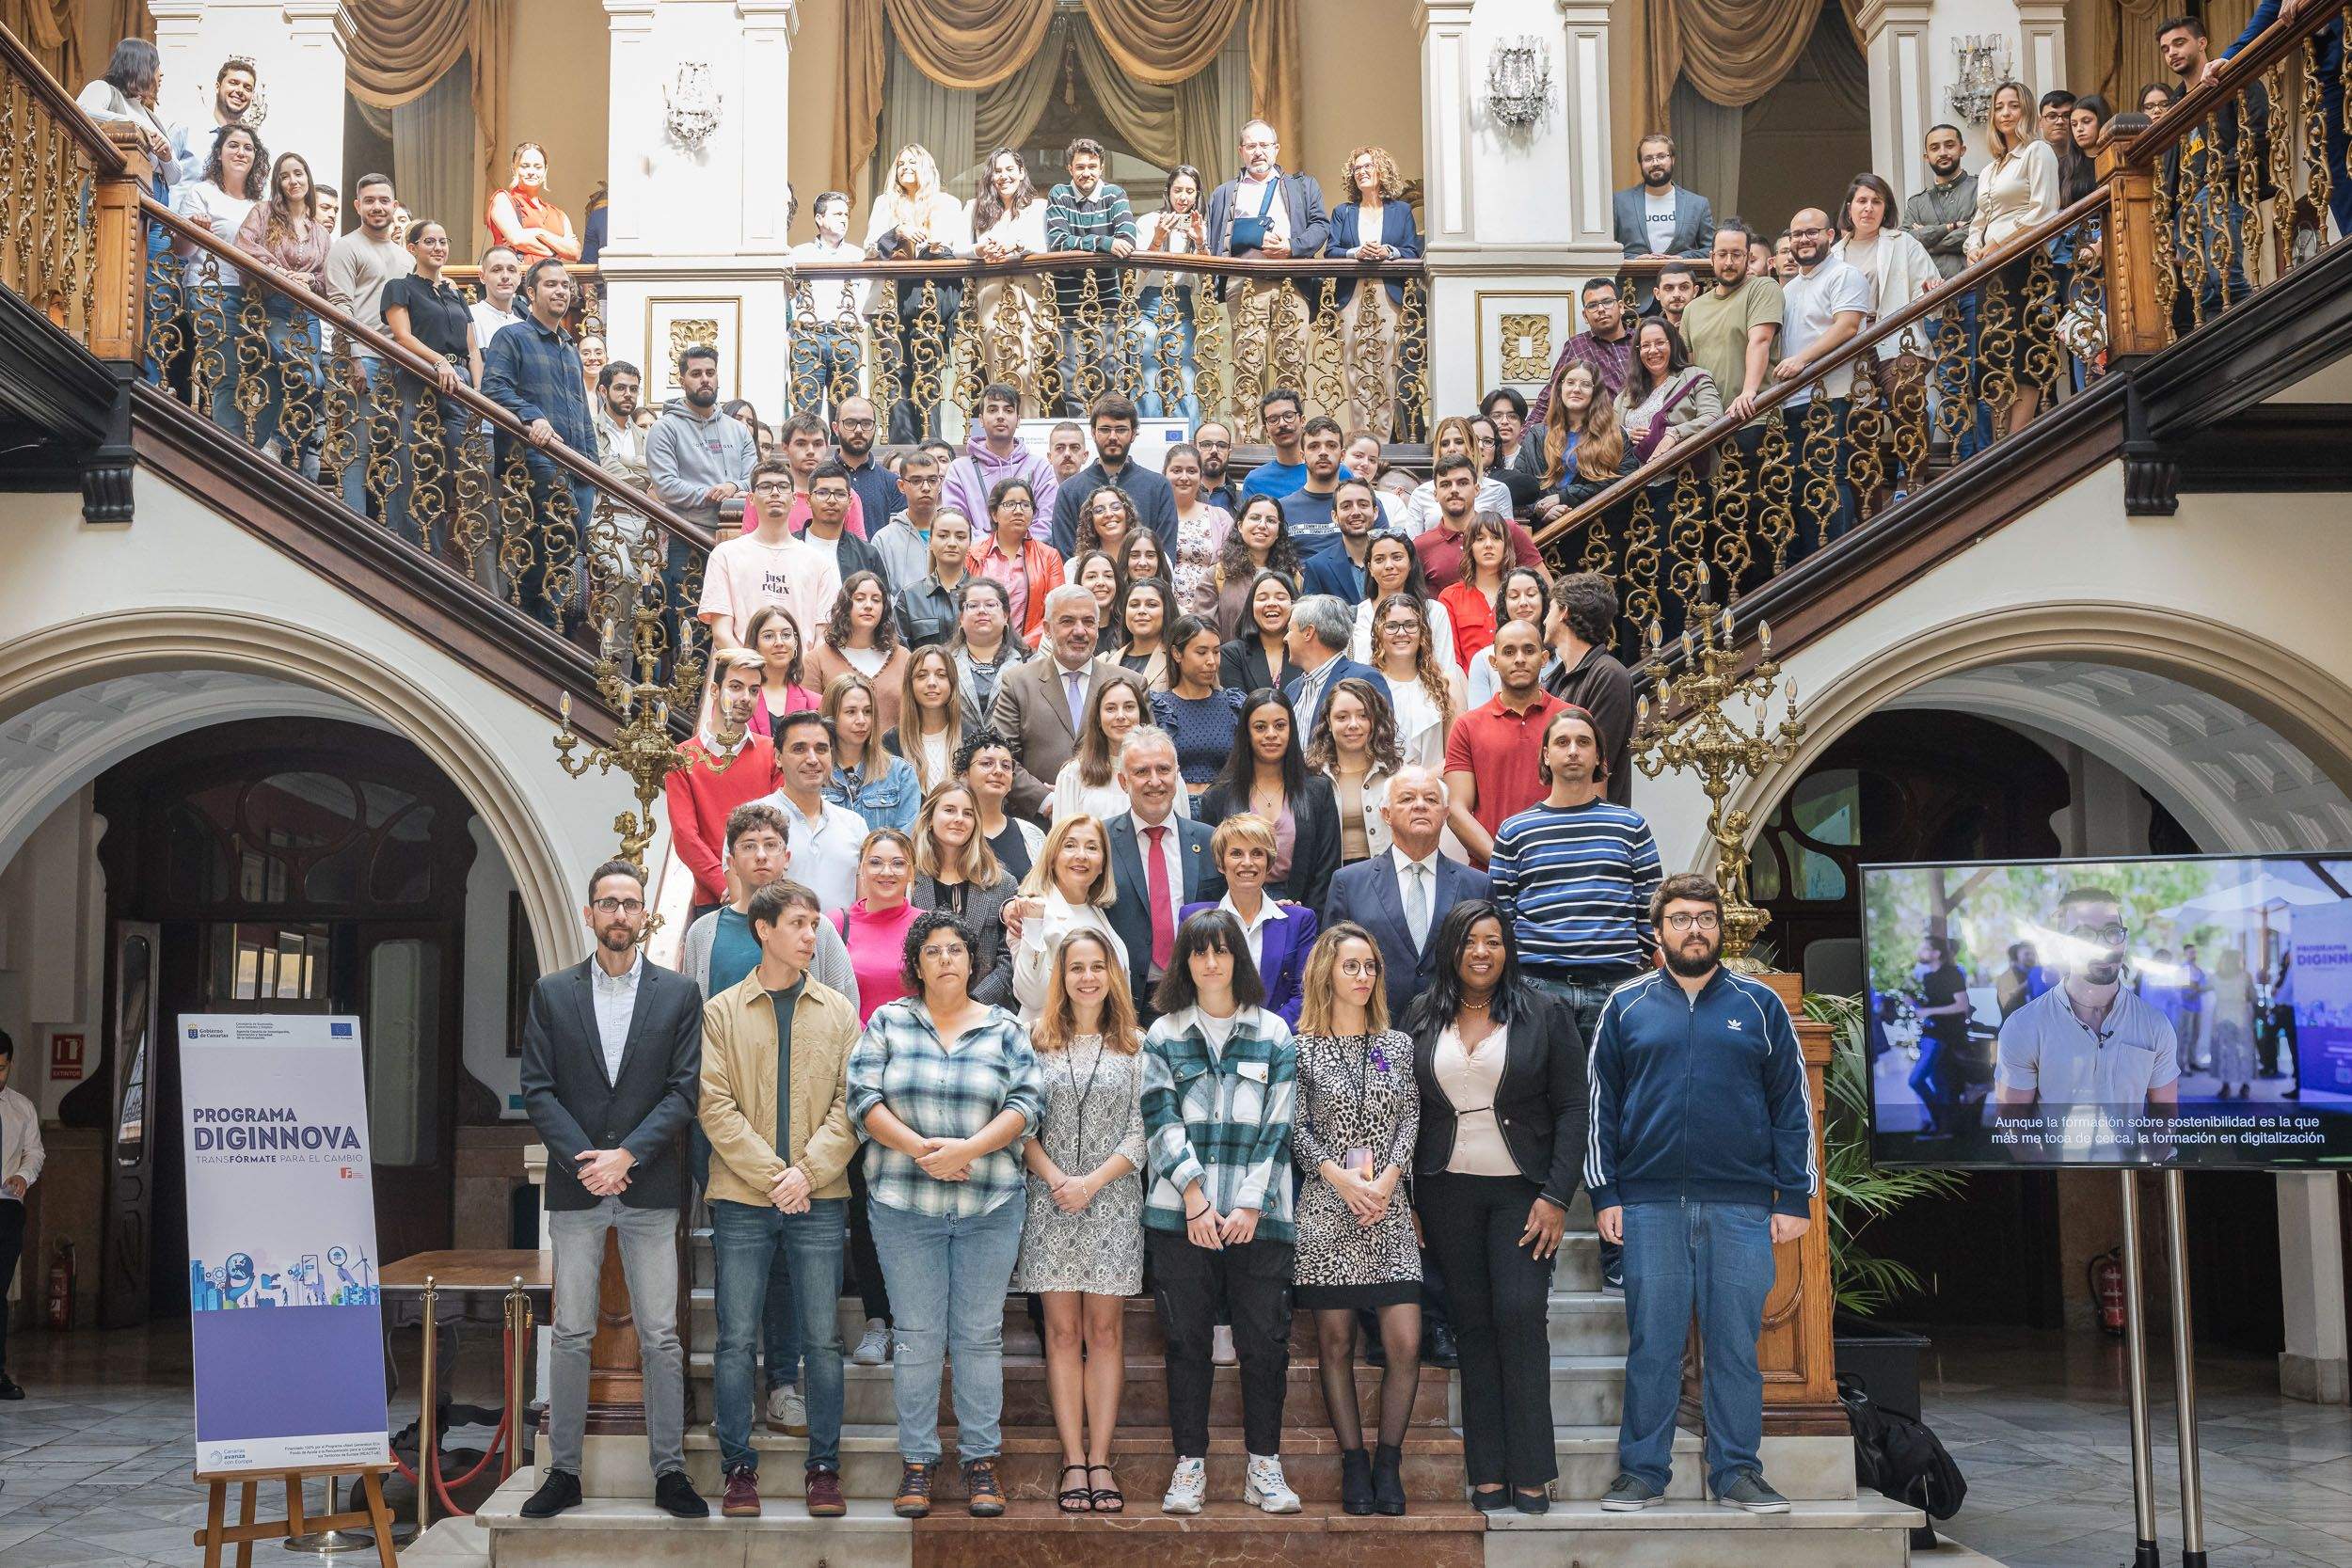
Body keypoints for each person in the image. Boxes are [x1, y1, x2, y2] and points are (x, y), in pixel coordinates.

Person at [1592, 873, 1816, 1516]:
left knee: (1733, 1346)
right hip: (1650, 1204)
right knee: (1654, 1343)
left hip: (1743, 1205)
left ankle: (1739, 1472)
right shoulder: (1626, 1005)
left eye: (1707, 918)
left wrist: (1793, 1195)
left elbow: (1791, 1107)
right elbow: (1601, 1107)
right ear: (1657, 933)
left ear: (1720, 928)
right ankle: (1641, 1472)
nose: (1696, 928)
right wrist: (1606, 1192)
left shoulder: (1762, 1004)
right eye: (1682, 918)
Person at [518, 861, 708, 1520]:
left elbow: (684, 1090)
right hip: (576, 1188)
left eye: (631, 903)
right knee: (569, 1332)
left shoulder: (679, 993)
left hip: (649, 1182)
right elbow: (537, 1088)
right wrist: (585, 1161)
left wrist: (627, 1154)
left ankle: (670, 1472)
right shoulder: (551, 992)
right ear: (590, 914)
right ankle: (562, 1470)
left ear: (644, 916)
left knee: (661, 1335)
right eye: (609, 903)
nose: (621, 914)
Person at [848, 911, 1043, 1519]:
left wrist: (968, 1150)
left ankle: (981, 1462)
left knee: (979, 1336)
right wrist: (924, 1152)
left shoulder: (1005, 1027)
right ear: (917, 962)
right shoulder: (888, 1021)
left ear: (973, 959)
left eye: (956, 949)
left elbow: (1028, 1102)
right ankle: (918, 1462)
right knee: (917, 1338)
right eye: (933, 950)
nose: (946, 959)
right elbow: (862, 1099)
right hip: (906, 1203)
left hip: (990, 1203)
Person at [1406, 899, 1584, 1513]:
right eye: (1469, 941)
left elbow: (1572, 1108)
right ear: (1452, 949)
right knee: (1474, 1326)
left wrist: (1558, 1196)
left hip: (1523, 1193)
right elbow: (1408, 1112)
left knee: (1519, 1314)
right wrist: (1408, 1196)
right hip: (1445, 1189)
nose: (1481, 951)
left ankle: (1532, 1470)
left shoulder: (1544, 1012)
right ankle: (1487, 1470)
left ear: (1508, 948)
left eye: (1493, 940)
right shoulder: (1423, 1015)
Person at [698, 879, 859, 1519]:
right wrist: (775, 1174)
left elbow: (853, 1105)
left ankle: (824, 1466)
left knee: (821, 1338)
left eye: (815, 923)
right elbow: (714, 1105)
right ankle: (739, 1466)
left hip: (820, 1196)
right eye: (797, 922)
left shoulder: (839, 1012)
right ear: (762, 929)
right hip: (741, 1197)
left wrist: (807, 1172)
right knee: (737, 1337)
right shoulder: (721, 1012)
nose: (810, 935)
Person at [1141, 910, 1302, 1516]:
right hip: (1181, 1215)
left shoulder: (1274, 1035)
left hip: (1259, 1218)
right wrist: (1195, 1197)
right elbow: (1161, 1119)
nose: (1211, 963)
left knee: (1265, 1340)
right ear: (1184, 962)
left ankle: (1265, 1464)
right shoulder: (1162, 1035)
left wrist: (1247, 1204)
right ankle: (1191, 1465)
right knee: (1185, 1340)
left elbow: (1278, 1126)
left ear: (1239, 959)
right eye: (1199, 953)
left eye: (1223, 951)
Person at [1012, 927, 1151, 1513]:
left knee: (1106, 1333)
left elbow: (1142, 1132)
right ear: (1060, 978)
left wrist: (1091, 1182)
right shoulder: (1033, 1042)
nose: (1088, 977)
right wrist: (1056, 1180)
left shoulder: (1137, 1045)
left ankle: (1102, 1458)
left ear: (1113, 975)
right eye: (1076, 968)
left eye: (1098, 966)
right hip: (1049, 1203)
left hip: (1113, 1201)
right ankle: (1073, 1461)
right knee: (1063, 1334)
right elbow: (1019, 1123)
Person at [1285, 924, 1422, 1516]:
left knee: (1406, 1343)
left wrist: (1387, 1181)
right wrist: (1342, 1181)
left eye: (1370, 966)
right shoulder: (1299, 1048)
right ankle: (1353, 1464)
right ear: (1326, 974)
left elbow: (1410, 1119)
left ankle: (1389, 1462)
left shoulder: (1397, 1045)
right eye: (1352, 966)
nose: (1363, 976)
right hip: (1325, 1206)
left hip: (1389, 1211)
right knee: (1335, 1343)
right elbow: (1294, 1126)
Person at [1993, 885, 2182, 1154]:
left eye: (2112, 932)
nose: (2102, 946)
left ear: (2125, 941)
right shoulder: (2024, 1026)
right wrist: (2055, 1179)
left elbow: (2164, 1116)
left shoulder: (2156, 1025)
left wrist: (2144, 1168)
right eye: (2084, 935)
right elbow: (2013, 1122)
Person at [1323, 765, 1491, 1023]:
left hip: (1453, 1033)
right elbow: (1329, 968)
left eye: (1431, 799)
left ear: (1445, 813)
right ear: (1386, 814)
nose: (1421, 805)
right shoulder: (1349, 883)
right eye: (1407, 798)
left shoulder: (1478, 886)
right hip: (1373, 1031)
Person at [481, 259, 597, 626]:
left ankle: (556, 630)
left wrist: (593, 464)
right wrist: (534, 415)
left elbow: (581, 410)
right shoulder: (512, 337)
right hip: (536, 461)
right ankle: (541, 631)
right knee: (544, 554)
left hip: (578, 465)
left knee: (567, 555)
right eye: (551, 285)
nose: (561, 291)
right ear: (530, 293)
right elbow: (493, 388)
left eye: (565, 285)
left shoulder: (568, 346)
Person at [1206, 121, 1329, 431]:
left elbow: (1320, 227)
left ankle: (1293, 436)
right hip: (1245, 286)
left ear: (1276, 149)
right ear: (1241, 152)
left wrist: (1291, 247)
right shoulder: (1224, 193)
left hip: (1292, 283)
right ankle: (1247, 438)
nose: (1258, 152)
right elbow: (1214, 239)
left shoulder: (1303, 186)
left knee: (1292, 362)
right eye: (1251, 146)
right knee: (1247, 364)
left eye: (1264, 145)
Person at [680, 802, 858, 1004]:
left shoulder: (819, 930)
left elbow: (846, 1008)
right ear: (732, 863)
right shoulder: (702, 933)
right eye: (749, 846)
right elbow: (692, 1012)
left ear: (786, 858)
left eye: (771, 845)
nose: (761, 856)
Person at [1965, 81, 2061, 437]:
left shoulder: (2038, 152)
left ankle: (2016, 438)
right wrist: (1975, 247)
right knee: (1993, 355)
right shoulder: (1990, 169)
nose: (2005, 113)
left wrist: (1996, 247)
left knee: (2023, 354)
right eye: (1999, 107)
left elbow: (2045, 211)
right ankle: (1998, 438)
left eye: (2013, 106)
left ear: (2027, 112)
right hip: (1990, 270)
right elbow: (1979, 221)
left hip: (2024, 264)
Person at [1834, 172, 1940, 487]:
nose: (1868, 208)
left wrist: (1932, 289)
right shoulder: (1834, 254)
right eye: (1862, 201)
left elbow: (1930, 297)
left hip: (1897, 341)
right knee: (1857, 419)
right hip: (1850, 349)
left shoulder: (1903, 242)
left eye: (1876, 201)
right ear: (1849, 208)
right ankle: (1867, 496)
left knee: (1904, 392)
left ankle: (1914, 479)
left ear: (1886, 208)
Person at [1775, 208, 1872, 546]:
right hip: (1793, 400)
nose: (1803, 240)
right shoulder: (1788, 290)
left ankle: (1836, 559)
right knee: (1802, 485)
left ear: (1830, 235)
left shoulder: (1844, 275)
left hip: (1831, 395)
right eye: (1796, 235)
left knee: (1830, 479)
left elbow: (1846, 327)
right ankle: (1810, 562)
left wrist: (1800, 362)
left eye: (1811, 232)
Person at [1199, 689, 1342, 911]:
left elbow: (1326, 869)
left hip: (1302, 908)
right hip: (1236, 911)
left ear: (1291, 730)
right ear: (1246, 733)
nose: (1271, 734)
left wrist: (1305, 917)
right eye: (1260, 727)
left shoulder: (1318, 790)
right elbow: (1212, 873)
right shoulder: (1218, 797)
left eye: (1280, 725)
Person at [231, 150, 332, 465]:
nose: (293, 181)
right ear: (277, 183)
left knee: (309, 381)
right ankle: (273, 449)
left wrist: (308, 281)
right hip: (272, 307)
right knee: (303, 378)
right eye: (285, 175)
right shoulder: (263, 213)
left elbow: (327, 280)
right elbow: (243, 248)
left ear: (308, 179)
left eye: (298, 173)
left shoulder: (321, 232)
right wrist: (280, 273)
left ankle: (275, 446)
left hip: (308, 315)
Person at [865, 144, 969, 442]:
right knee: (896, 374)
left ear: (928, 167)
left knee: (927, 375)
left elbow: (959, 249)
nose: (905, 167)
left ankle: (931, 443)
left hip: (929, 300)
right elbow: (869, 247)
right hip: (889, 301)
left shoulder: (948, 204)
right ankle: (901, 447)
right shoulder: (885, 204)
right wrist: (897, 232)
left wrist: (937, 248)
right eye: (900, 163)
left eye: (913, 161)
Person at [665, 654, 781, 923]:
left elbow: (780, 823)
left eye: (754, 690)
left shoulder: (771, 752)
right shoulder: (682, 757)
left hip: (769, 895)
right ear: (715, 691)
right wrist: (727, 885)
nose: (745, 698)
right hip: (716, 899)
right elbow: (685, 837)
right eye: (736, 687)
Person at [1444, 621, 1566, 866]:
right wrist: (1504, 864)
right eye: (1509, 652)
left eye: (1529, 650)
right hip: (1490, 875)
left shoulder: (1571, 720)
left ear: (1544, 658)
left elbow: (1592, 801)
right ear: (1493, 661)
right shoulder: (1467, 726)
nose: (1519, 659)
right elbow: (1457, 811)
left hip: (1561, 870)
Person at [169, 122, 266, 430]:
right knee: (227, 373)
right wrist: (195, 230)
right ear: (219, 154)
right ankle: (232, 450)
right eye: (233, 145)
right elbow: (181, 251)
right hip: (210, 290)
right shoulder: (202, 192)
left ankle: (250, 442)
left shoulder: (259, 205)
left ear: (256, 157)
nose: (241, 152)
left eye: (248, 147)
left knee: (257, 374)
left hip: (251, 298)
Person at [990, 583, 1116, 818]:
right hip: (1039, 823)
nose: (1079, 631)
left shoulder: (1127, 684)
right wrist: (1046, 800)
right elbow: (1000, 755)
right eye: (1067, 621)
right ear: (1047, 629)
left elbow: (1141, 756)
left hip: (1110, 822)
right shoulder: (1018, 683)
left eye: (1088, 622)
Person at [1183, 813, 1317, 1025]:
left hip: (1279, 1042)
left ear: (1269, 862)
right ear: (1220, 864)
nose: (1247, 863)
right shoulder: (1193, 918)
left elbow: (1305, 995)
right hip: (1212, 1042)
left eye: (1257, 853)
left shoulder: (1299, 920)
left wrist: (1265, 1037)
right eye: (1236, 853)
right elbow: (1186, 989)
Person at [700, 456, 844, 653]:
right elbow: (721, 633)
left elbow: (824, 634)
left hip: (800, 675)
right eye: (765, 486)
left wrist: (800, 672)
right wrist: (752, 669)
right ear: (750, 499)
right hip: (745, 675)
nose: (775, 493)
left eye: (783, 486)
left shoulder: (818, 562)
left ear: (794, 498)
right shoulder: (725, 555)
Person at [1327, 145, 1423, 438]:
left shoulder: (1400, 211)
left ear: (1381, 170)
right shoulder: (1343, 212)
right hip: (1352, 294)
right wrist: (1356, 252)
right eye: (1357, 168)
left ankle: (1382, 443)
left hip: (1388, 295)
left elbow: (1410, 250)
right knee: (1355, 369)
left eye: (1368, 166)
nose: (1362, 172)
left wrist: (1388, 251)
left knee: (1386, 370)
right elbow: (1330, 251)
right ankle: (1359, 440)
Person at [1045, 137, 1138, 409]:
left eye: (1092, 166)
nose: (1086, 172)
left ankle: (1104, 431)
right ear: (1069, 168)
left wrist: (1086, 242)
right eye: (1080, 166)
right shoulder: (1059, 194)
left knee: (1108, 374)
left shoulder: (1114, 195)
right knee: (1069, 377)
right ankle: (1077, 437)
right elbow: (1057, 242)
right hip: (1067, 303)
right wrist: (1103, 242)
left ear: (1102, 167)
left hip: (1107, 301)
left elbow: (1128, 238)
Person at [910, 782, 1018, 1005]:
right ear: (929, 819)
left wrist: (974, 1002)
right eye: (949, 810)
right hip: (922, 1008)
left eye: (968, 813)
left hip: (987, 1011)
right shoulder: (909, 881)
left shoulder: (1002, 883)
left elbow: (1009, 957)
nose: (959, 819)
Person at [1009, 814, 1126, 1021]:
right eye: (1070, 846)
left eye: (1092, 847)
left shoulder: (1098, 911)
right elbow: (1031, 997)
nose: (1081, 855)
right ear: (1052, 858)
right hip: (1048, 1044)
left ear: (1102, 865)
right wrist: (1035, 924)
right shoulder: (1030, 910)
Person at [963, 148, 1053, 401]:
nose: (1004, 176)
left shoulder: (1039, 207)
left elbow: (1046, 245)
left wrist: (1017, 244)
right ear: (991, 177)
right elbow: (957, 249)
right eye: (998, 171)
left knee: (1027, 371)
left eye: (1010, 169)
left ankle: (1025, 437)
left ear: (1022, 172)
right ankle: (1001, 436)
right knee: (997, 372)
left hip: (1027, 295)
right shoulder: (975, 208)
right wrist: (978, 249)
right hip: (990, 294)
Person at [1540, 572, 1637, 805]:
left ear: (1564, 612)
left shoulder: (1609, 675)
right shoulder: (1554, 679)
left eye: (1550, 609)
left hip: (1589, 828)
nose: (1544, 620)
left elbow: (1596, 769)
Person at [1048, 396, 1178, 558]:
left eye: (1121, 429)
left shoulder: (1158, 487)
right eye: (1105, 429)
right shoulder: (1069, 490)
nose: (1113, 437)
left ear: (1133, 433)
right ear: (1093, 433)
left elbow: (1165, 556)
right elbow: (1065, 558)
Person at [766, 711, 869, 913]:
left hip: (842, 943)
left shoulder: (854, 825)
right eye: (799, 749)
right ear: (778, 757)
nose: (812, 759)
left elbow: (864, 908)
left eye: (821, 749)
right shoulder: (754, 820)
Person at [1136, 166, 1209, 421]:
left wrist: (1200, 242)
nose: (1183, 197)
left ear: (1197, 194)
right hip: (1147, 305)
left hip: (1182, 304)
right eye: (1178, 190)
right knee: (1148, 378)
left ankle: (1188, 445)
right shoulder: (1147, 221)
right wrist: (1157, 239)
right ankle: (1149, 445)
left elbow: (1206, 279)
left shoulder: (1201, 226)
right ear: (1167, 192)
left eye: (1190, 191)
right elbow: (1138, 272)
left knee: (1185, 378)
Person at [787, 189, 869, 415]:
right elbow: (789, 295)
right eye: (837, 214)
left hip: (845, 337)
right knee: (806, 409)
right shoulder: (799, 254)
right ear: (819, 219)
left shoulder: (857, 255)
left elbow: (864, 294)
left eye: (846, 215)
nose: (844, 219)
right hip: (807, 337)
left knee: (846, 410)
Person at [1307, 677, 1406, 864]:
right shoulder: (1312, 775)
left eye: (1363, 715)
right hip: (1329, 880)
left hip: (1383, 877)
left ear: (1375, 719)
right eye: (1342, 717)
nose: (1353, 724)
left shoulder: (1397, 775)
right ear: (1328, 721)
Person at [945, 383, 1059, 540]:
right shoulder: (959, 470)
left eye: (1008, 410)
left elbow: (1047, 523)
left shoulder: (1040, 468)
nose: (1000, 416)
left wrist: (1013, 549)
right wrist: (993, 549)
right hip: (976, 560)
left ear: (1018, 420)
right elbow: (956, 523)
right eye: (992, 410)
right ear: (981, 420)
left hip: (1028, 560)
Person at [1366, 591, 1465, 772]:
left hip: (1434, 789)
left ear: (1423, 632)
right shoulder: (1367, 686)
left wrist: (1423, 782)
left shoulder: (1446, 684)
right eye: (1391, 626)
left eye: (1410, 625)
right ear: (1378, 632)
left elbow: (1457, 755)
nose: (1401, 633)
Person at [1413, 454, 1541, 593]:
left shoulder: (1506, 530)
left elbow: (1544, 588)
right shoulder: (1421, 546)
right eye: (1445, 484)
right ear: (1435, 494)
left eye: (1463, 483)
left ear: (1477, 490)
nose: (1454, 490)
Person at [1054, 672, 1167, 824]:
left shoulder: (1165, 773)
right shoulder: (1073, 775)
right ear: (1098, 719)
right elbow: (1063, 840)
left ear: (1141, 714)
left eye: (1129, 707)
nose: (1120, 716)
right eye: (1111, 709)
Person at [1282, 594, 1392, 748]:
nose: (1285, 638)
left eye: (1289, 629)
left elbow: (1382, 741)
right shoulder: (1292, 689)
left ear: (1308, 632)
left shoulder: (1364, 679)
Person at [968, 478, 1065, 649]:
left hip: (1030, 653)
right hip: (979, 649)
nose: (1019, 511)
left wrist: (1021, 647)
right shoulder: (973, 555)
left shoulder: (1049, 556)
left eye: (1025, 505)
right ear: (994, 514)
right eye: (1010, 504)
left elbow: (1056, 611)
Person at [1353, 528, 1459, 681]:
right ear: (1369, 567)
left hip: (1427, 699)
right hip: (1370, 699)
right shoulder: (1358, 614)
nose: (1388, 565)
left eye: (1397, 557)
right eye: (1379, 559)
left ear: (1410, 563)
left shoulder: (1433, 612)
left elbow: (1445, 671)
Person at [821, 673, 920, 834]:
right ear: (831, 716)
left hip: (887, 859)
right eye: (851, 712)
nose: (861, 720)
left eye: (867, 711)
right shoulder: (815, 772)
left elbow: (905, 842)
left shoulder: (900, 773)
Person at [1529, 278, 1637, 421]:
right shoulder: (1577, 346)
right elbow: (1550, 396)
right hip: (1603, 433)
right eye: (1592, 305)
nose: (1600, 309)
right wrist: (1524, 441)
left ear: (1621, 307)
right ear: (1585, 316)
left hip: (1648, 426)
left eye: (1607, 302)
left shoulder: (1642, 339)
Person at [1619, 318, 1720, 468]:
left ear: (1673, 345)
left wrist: (1675, 434)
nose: (1653, 350)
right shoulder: (1626, 394)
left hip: (1684, 481)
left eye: (1660, 343)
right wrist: (1627, 434)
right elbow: (1608, 433)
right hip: (1635, 485)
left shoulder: (1696, 376)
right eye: (1645, 345)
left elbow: (1714, 417)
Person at [0, 1028, 40, 1401]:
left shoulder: (21, 1107)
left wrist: (23, 1175)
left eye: (1, 1067)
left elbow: (35, 1152)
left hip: (6, 1207)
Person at [1907, 933, 1974, 1137]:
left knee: (1916, 1080)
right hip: (1931, 1034)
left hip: (1942, 1037)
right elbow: (1930, 1006)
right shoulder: (1927, 977)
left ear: (1936, 953)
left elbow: (1962, 1006)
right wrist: (1912, 1002)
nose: (1921, 952)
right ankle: (1943, 1126)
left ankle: (1940, 1121)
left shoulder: (1952, 973)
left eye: (1925, 949)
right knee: (1940, 1082)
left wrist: (1927, 1011)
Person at [961, 728, 1047, 886]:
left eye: (1006, 766)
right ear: (965, 775)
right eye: (987, 763)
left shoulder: (1031, 834)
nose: (998, 771)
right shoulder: (953, 830)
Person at [1614, 133, 1717, 261]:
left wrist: (1681, 258)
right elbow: (1606, 252)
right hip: (1633, 280)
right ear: (1640, 164)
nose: (1655, 163)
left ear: (1673, 159)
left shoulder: (1697, 204)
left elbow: (1712, 250)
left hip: (1680, 278)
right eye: (1648, 158)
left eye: (1661, 156)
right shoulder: (1619, 202)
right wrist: (1635, 259)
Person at [1214, 496, 1303, 639]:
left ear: (1279, 531)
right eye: (1255, 518)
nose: (1262, 525)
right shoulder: (1217, 574)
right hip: (1231, 659)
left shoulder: (1293, 576)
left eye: (1271, 520)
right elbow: (1205, 631)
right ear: (1240, 526)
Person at [1160, 442, 1232, 616]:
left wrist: (1203, 606)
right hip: (1163, 612)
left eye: (1191, 471)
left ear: (1200, 476)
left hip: (1210, 613)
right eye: (1176, 470)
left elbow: (1232, 570)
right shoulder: (1154, 516)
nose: (1184, 477)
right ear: (1164, 474)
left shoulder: (1220, 518)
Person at [1438, 515, 1515, 671]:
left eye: (1496, 538)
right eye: (1479, 539)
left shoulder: (1520, 594)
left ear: (1506, 546)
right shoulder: (1450, 597)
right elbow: (1452, 661)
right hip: (1467, 689)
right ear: (1469, 547)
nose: (1488, 545)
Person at [1468, 567, 1550, 710]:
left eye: (1531, 594)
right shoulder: (1483, 659)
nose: (1523, 602)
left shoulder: (1562, 655)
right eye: (1514, 596)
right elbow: (1478, 720)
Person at [950, 579, 1026, 729]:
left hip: (1012, 750)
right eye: (972, 605)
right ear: (961, 618)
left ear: (1005, 615)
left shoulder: (1029, 662)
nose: (982, 610)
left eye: (990, 605)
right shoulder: (945, 662)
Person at [487, 141, 580, 262]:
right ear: (514, 168)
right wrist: (556, 249)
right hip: (518, 279)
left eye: (537, 167)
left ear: (545, 171)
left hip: (551, 279)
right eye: (525, 166)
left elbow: (575, 253)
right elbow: (516, 239)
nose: (531, 172)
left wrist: (540, 234)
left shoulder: (559, 215)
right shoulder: (503, 199)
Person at [873, 453, 950, 599]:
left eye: (933, 480)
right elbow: (881, 597)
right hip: (902, 620)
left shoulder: (956, 533)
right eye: (916, 481)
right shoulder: (884, 539)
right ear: (901, 486)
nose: (926, 487)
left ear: (939, 484)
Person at [1300, 477, 1385, 605]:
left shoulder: (1393, 561)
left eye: (1363, 505)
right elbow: (1312, 617)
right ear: (1334, 516)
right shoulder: (1318, 567)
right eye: (1346, 506)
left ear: (1375, 512)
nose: (1356, 512)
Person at [173, 55, 257, 186]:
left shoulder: (249, 147)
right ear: (218, 87)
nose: (240, 90)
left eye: (247, 88)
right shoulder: (185, 129)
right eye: (234, 83)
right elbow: (158, 178)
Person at [1220, 568, 1304, 693]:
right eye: (1262, 598)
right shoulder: (1232, 654)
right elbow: (1236, 706)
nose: (1271, 603)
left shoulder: (1306, 652)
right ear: (1251, 606)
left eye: (1280, 598)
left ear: (1295, 605)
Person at [1112, 577, 1175, 691]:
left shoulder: (1179, 660)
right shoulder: (1107, 662)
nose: (1141, 611)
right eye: (1134, 605)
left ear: (1166, 611)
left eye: (1151, 605)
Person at [1192, 420, 1242, 513]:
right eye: (1206, 444)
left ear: (1229, 452)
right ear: (1195, 450)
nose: (1214, 450)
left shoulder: (1243, 500)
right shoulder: (1180, 496)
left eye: (1222, 446)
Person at [1650, 262, 1700, 332]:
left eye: (1683, 287)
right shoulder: (1651, 333)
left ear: (1695, 291)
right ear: (1657, 294)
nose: (1676, 294)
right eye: (1668, 288)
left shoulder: (1708, 327)